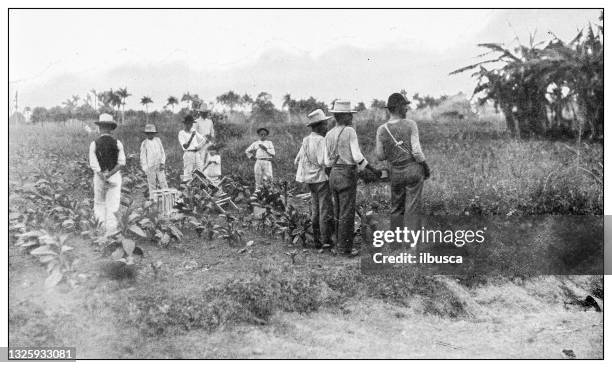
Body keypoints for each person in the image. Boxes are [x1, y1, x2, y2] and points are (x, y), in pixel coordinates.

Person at [325, 100, 381, 256]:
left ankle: (337, 246)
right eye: (349, 114)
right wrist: (372, 169)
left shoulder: (329, 134)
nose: (352, 117)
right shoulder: (349, 131)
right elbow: (357, 156)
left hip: (333, 174)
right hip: (347, 174)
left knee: (337, 211)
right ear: (343, 116)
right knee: (347, 213)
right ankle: (345, 249)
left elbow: (326, 161)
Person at [375, 92, 430, 228]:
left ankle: (395, 243)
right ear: (399, 107)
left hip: (395, 172)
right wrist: (425, 166)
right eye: (405, 106)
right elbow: (417, 152)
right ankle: (412, 244)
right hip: (413, 170)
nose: (407, 109)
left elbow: (380, 156)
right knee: (413, 208)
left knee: (396, 208)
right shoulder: (411, 124)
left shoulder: (382, 129)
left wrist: (393, 151)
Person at [294, 109, 333, 249]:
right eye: (325, 124)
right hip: (321, 179)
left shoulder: (306, 140)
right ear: (319, 125)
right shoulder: (321, 140)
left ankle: (316, 240)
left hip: (309, 180)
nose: (327, 127)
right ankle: (325, 240)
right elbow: (325, 162)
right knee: (324, 210)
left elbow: (298, 159)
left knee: (315, 209)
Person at [88, 113, 126, 236]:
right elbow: (121, 163)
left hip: (99, 177)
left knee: (99, 203)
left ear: (100, 128)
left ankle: (100, 230)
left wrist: (102, 175)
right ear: (111, 128)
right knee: (113, 204)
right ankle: (111, 231)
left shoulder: (94, 144)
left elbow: (94, 165)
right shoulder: (118, 143)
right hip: (114, 176)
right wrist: (109, 174)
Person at [140, 123, 168, 198]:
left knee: (163, 182)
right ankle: (153, 200)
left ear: (154, 133)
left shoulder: (158, 140)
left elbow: (162, 152)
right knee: (152, 184)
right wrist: (146, 169)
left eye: (152, 133)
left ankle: (166, 198)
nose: (150, 135)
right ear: (146, 134)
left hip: (159, 165)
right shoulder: (144, 143)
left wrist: (162, 162)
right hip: (150, 167)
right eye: (148, 133)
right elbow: (143, 157)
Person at [178, 115, 206, 182]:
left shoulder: (193, 130)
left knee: (200, 172)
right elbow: (185, 146)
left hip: (196, 153)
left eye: (191, 124)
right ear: (185, 124)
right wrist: (191, 137)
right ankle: (187, 190)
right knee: (188, 173)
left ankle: (200, 189)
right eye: (188, 123)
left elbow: (203, 140)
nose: (190, 125)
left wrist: (198, 147)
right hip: (188, 153)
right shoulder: (181, 133)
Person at [194, 103, 215, 169]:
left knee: (209, 161)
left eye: (206, 112)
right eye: (203, 112)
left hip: (209, 144)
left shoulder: (210, 121)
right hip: (200, 145)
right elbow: (194, 134)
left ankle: (208, 177)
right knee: (200, 162)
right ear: (200, 113)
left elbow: (212, 133)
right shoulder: (196, 122)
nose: (205, 114)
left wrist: (211, 139)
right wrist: (203, 138)